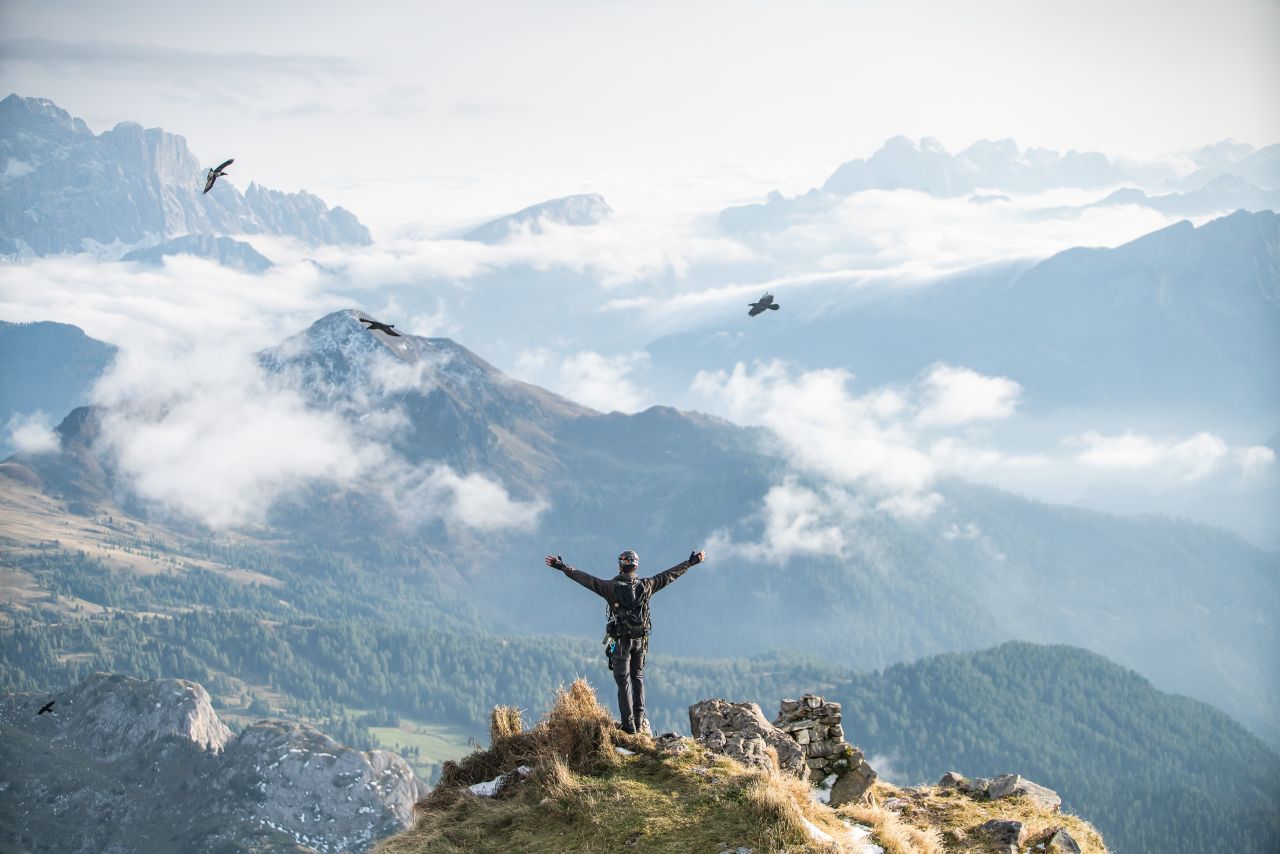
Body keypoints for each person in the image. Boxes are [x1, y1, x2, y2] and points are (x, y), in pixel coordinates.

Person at [544, 548, 706, 735]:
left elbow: (586, 579)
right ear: (636, 566)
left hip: (620, 642)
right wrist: (690, 562)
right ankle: (639, 720)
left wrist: (563, 567)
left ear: (621, 565)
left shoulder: (610, 587)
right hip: (640, 641)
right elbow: (669, 575)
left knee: (623, 682)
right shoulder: (648, 585)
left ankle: (628, 726)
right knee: (637, 678)